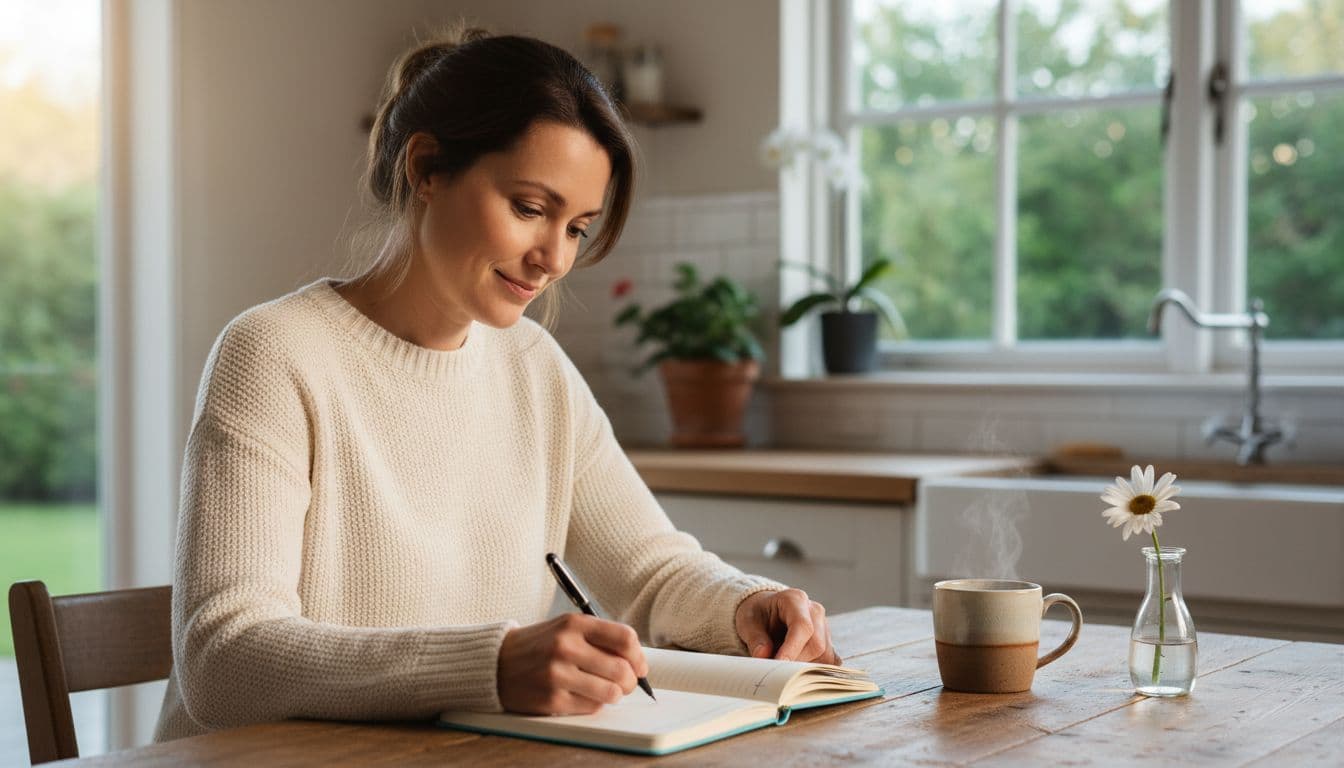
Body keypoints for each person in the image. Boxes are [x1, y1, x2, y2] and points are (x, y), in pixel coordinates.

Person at [154, 28, 839, 742]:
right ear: (426, 168)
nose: (552, 259)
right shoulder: (274, 353)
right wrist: (491, 664)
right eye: (530, 208)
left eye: (576, 227)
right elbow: (223, 659)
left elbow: (649, 571)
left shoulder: (532, 366)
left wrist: (746, 604)